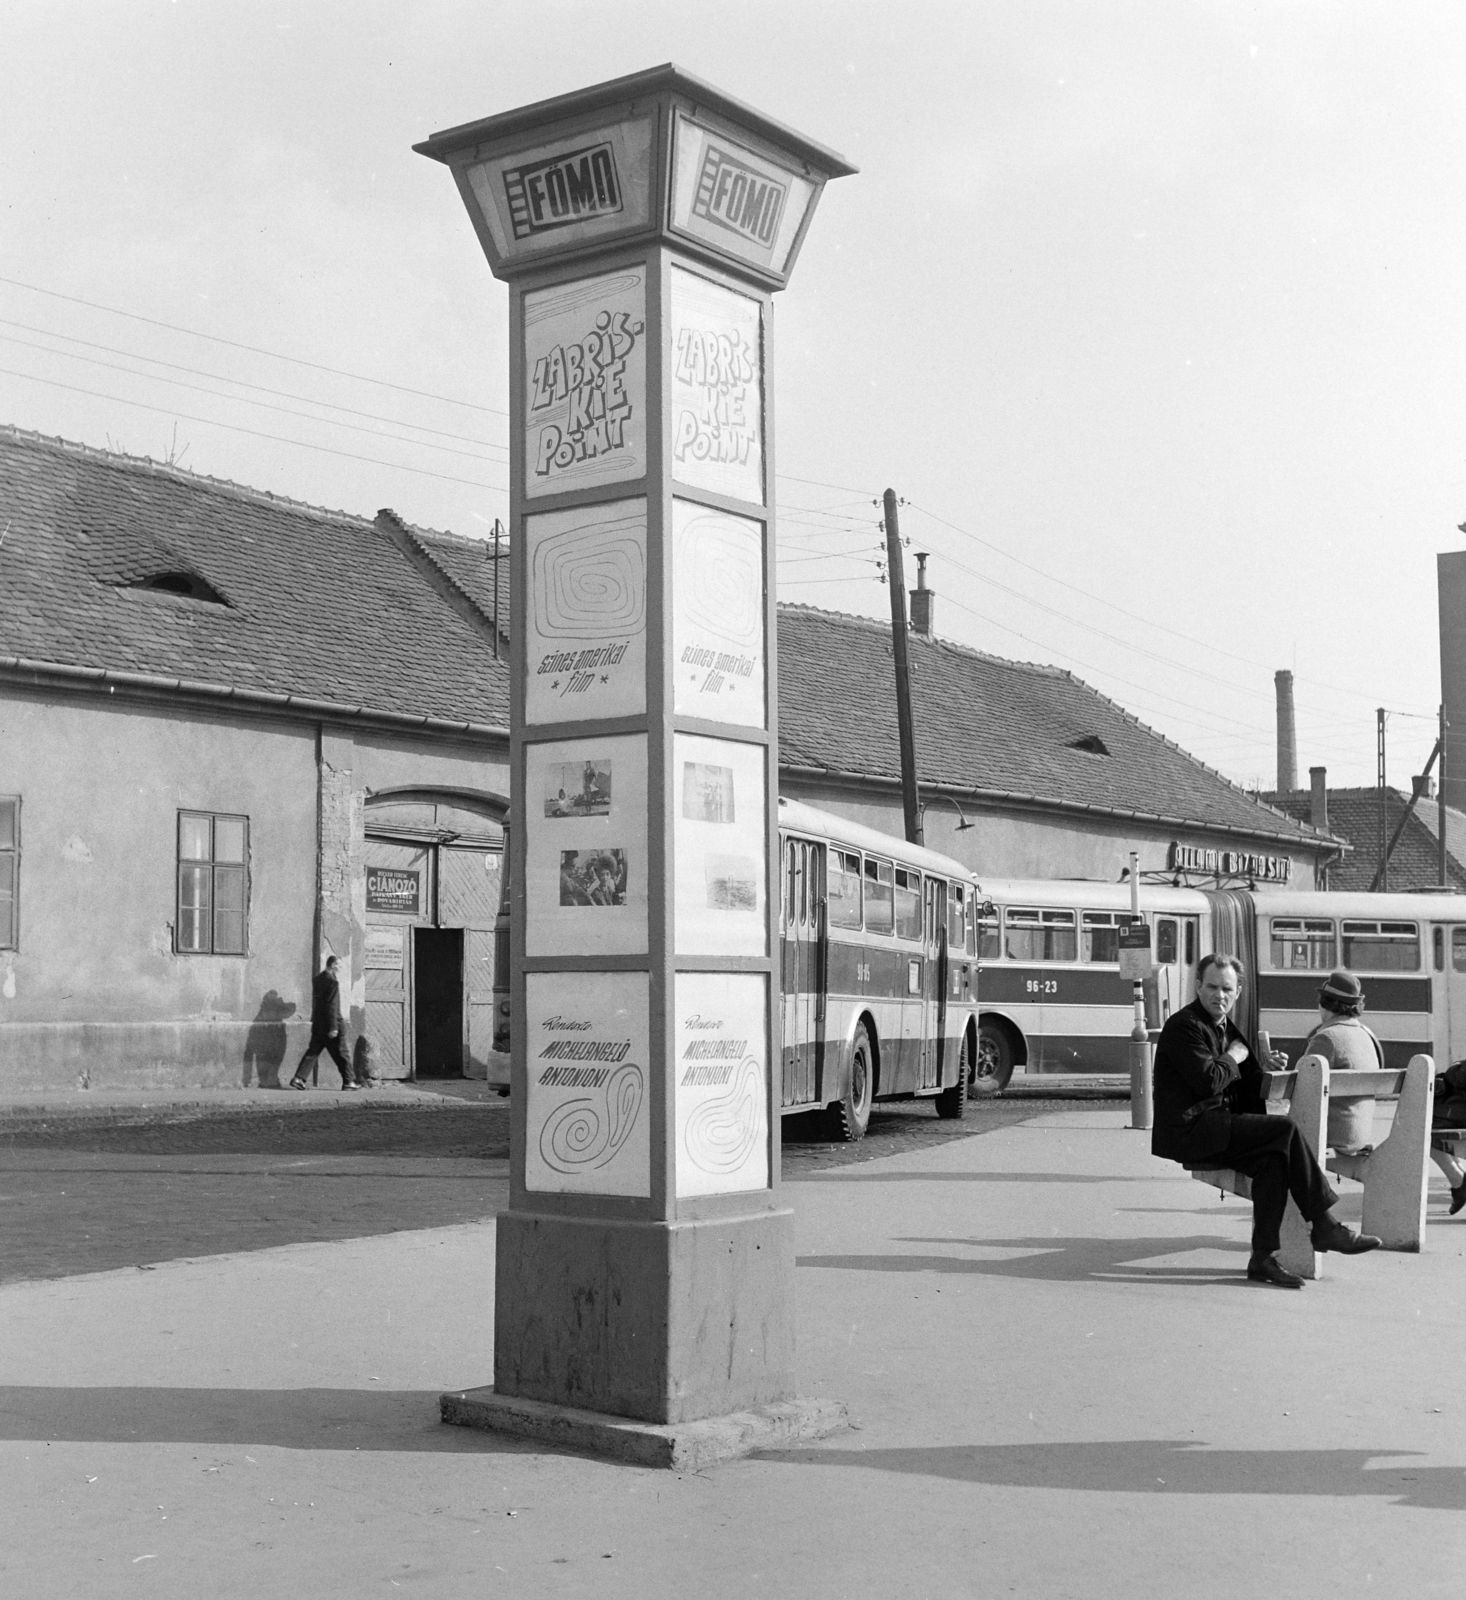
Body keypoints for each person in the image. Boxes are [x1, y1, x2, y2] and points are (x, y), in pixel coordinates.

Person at [1152, 952, 1381, 1288]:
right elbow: (1208, 1081)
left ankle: (1263, 1259)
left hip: (1217, 1128)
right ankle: (1324, 1224)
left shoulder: (1222, 1024)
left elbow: (1238, 1080)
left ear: (1238, 992)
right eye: (1212, 987)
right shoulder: (1184, 1025)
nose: (1220, 995)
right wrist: (1235, 1056)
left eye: (1227, 989)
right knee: (1284, 1129)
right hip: (1192, 1131)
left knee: (1272, 1160)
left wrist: (1263, 1067)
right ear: (1198, 986)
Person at [1301, 969, 1383, 1154]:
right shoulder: (1365, 1036)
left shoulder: (1326, 1038)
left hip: (1331, 1135)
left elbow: (1300, 1088)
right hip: (1359, 1135)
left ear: (1324, 1003)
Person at [289, 955, 359, 1091]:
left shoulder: (317, 980)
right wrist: (334, 1027)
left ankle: (298, 1078)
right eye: (339, 965)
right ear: (332, 965)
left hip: (318, 1024)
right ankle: (349, 1081)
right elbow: (332, 1005)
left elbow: (319, 1004)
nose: (340, 968)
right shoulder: (332, 982)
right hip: (331, 1025)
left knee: (313, 1052)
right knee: (342, 1053)